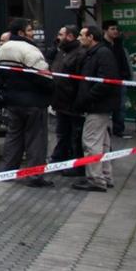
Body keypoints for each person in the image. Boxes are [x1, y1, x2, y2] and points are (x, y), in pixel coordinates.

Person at [0, 18, 53, 187]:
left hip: (13, 101)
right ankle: (34, 175)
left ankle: (7, 171)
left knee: (14, 136)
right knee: (36, 139)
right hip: (34, 101)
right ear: (21, 32)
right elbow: (44, 77)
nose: (32, 33)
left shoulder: (3, 49)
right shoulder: (30, 50)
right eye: (29, 30)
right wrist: (51, 89)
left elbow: (0, 76)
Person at [73, 25, 120, 192]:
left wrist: (88, 97)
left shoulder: (102, 53)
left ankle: (95, 179)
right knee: (103, 143)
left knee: (91, 142)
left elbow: (106, 81)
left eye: (81, 35)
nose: (79, 38)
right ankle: (105, 176)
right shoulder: (96, 53)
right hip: (100, 105)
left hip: (98, 106)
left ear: (91, 37)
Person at [48, 25, 86, 175]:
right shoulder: (62, 52)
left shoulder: (79, 54)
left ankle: (76, 164)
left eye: (61, 34)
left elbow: (80, 80)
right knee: (62, 133)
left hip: (72, 102)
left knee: (75, 135)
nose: (58, 37)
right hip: (60, 102)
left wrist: (78, 100)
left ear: (69, 36)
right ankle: (59, 160)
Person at [103, 19, 133, 138]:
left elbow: (124, 61)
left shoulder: (119, 44)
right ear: (105, 30)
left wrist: (127, 76)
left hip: (121, 79)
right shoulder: (102, 45)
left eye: (116, 29)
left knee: (120, 106)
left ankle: (119, 129)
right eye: (112, 29)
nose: (115, 31)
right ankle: (105, 129)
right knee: (107, 106)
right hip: (107, 80)